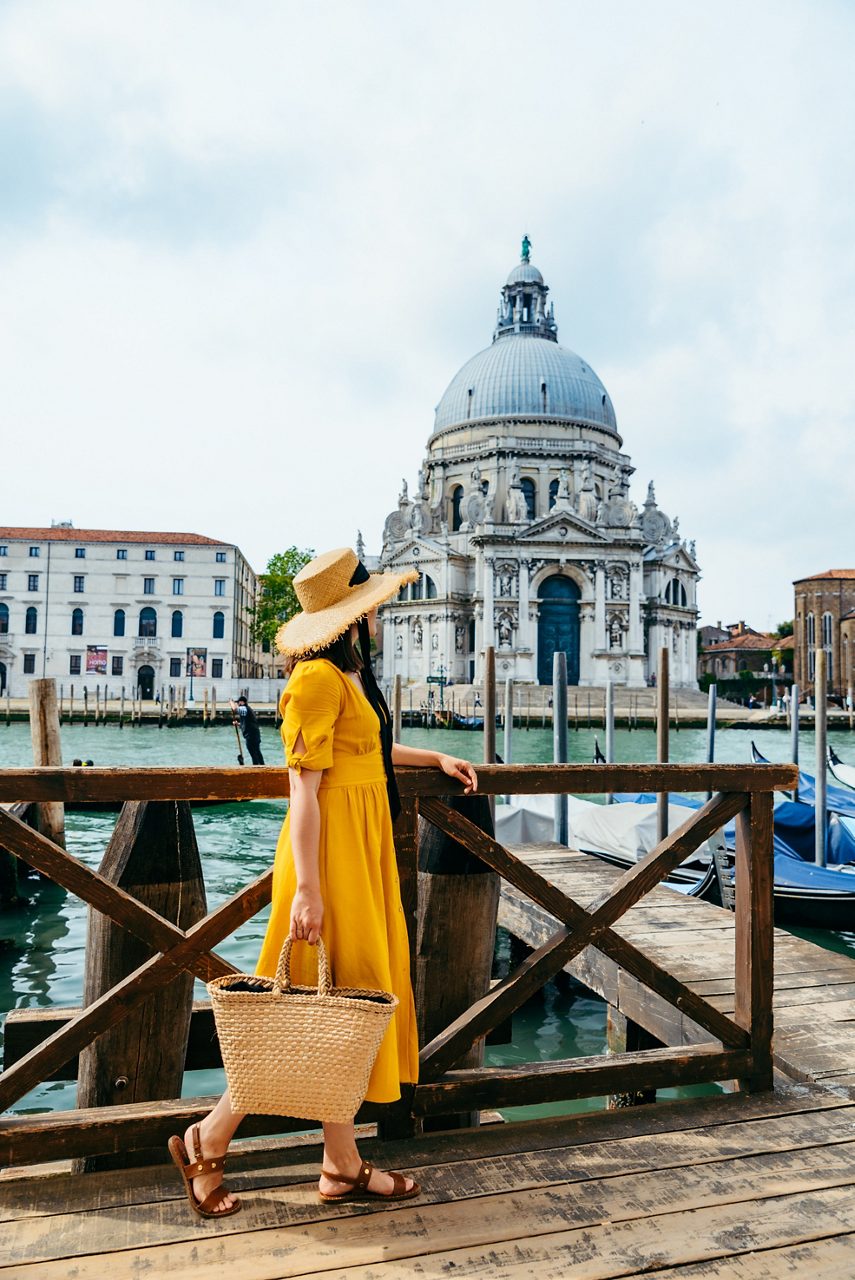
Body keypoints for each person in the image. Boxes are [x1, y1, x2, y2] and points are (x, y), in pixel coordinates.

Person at [169, 547, 478, 1219]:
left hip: (358, 850)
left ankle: (340, 1164)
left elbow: (366, 750)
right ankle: (209, 1138)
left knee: (338, 1004)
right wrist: (307, 890)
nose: (380, 617)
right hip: (328, 857)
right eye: (370, 610)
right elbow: (301, 791)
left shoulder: (348, 677)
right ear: (350, 618)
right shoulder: (314, 680)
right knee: (305, 1005)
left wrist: (437, 755)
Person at [230, 695, 265, 765]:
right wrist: (238, 724)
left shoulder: (245, 708)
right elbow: (247, 723)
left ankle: (257, 767)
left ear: (242, 702)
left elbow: (235, 709)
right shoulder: (247, 710)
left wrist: (231, 702)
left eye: (238, 703)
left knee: (253, 752)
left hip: (251, 735)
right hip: (254, 734)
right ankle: (261, 766)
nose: (237, 704)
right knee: (256, 751)